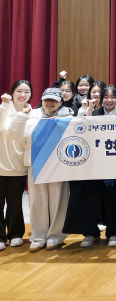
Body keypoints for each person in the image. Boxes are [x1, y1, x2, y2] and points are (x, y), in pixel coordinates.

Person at [63, 85, 116, 247]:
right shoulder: (93, 115)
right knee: (91, 200)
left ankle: (113, 232)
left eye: (113, 97)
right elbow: (80, 133)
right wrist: (88, 113)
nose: (109, 100)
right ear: (101, 99)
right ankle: (90, 233)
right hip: (93, 166)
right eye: (106, 97)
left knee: (112, 201)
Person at [8, 88, 73, 252]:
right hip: (36, 162)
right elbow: (14, 135)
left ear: (61, 102)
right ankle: (38, 237)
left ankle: (56, 236)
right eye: (47, 99)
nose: (50, 103)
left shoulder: (68, 116)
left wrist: (63, 124)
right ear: (42, 100)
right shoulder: (32, 114)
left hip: (59, 163)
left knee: (58, 201)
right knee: (37, 201)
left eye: (54, 100)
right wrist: (22, 116)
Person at [0, 81, 32, 250]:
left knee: (15, 203)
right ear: (12, 93)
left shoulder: (32, 114)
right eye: (19, 91)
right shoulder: (4, 109)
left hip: (19, 166)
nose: (22, 95)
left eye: (26, 91)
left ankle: (15, 234)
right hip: (0, 164)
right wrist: (4, 106)